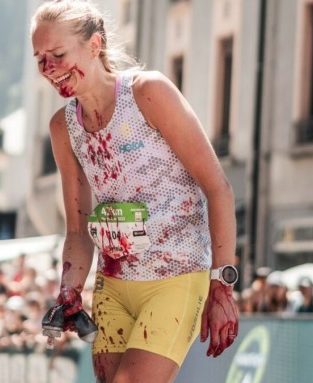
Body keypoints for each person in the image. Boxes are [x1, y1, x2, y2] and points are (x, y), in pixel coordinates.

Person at [30, 1, 239, 382]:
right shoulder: (63, 127)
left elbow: (218, 188)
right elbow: (77, 232)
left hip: (175, 277)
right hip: (113, 283)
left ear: (94, 45)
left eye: (58, 54)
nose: (48, 68)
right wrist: (69, 292)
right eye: (40, 58)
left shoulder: (148, 92)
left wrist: (222, 286)